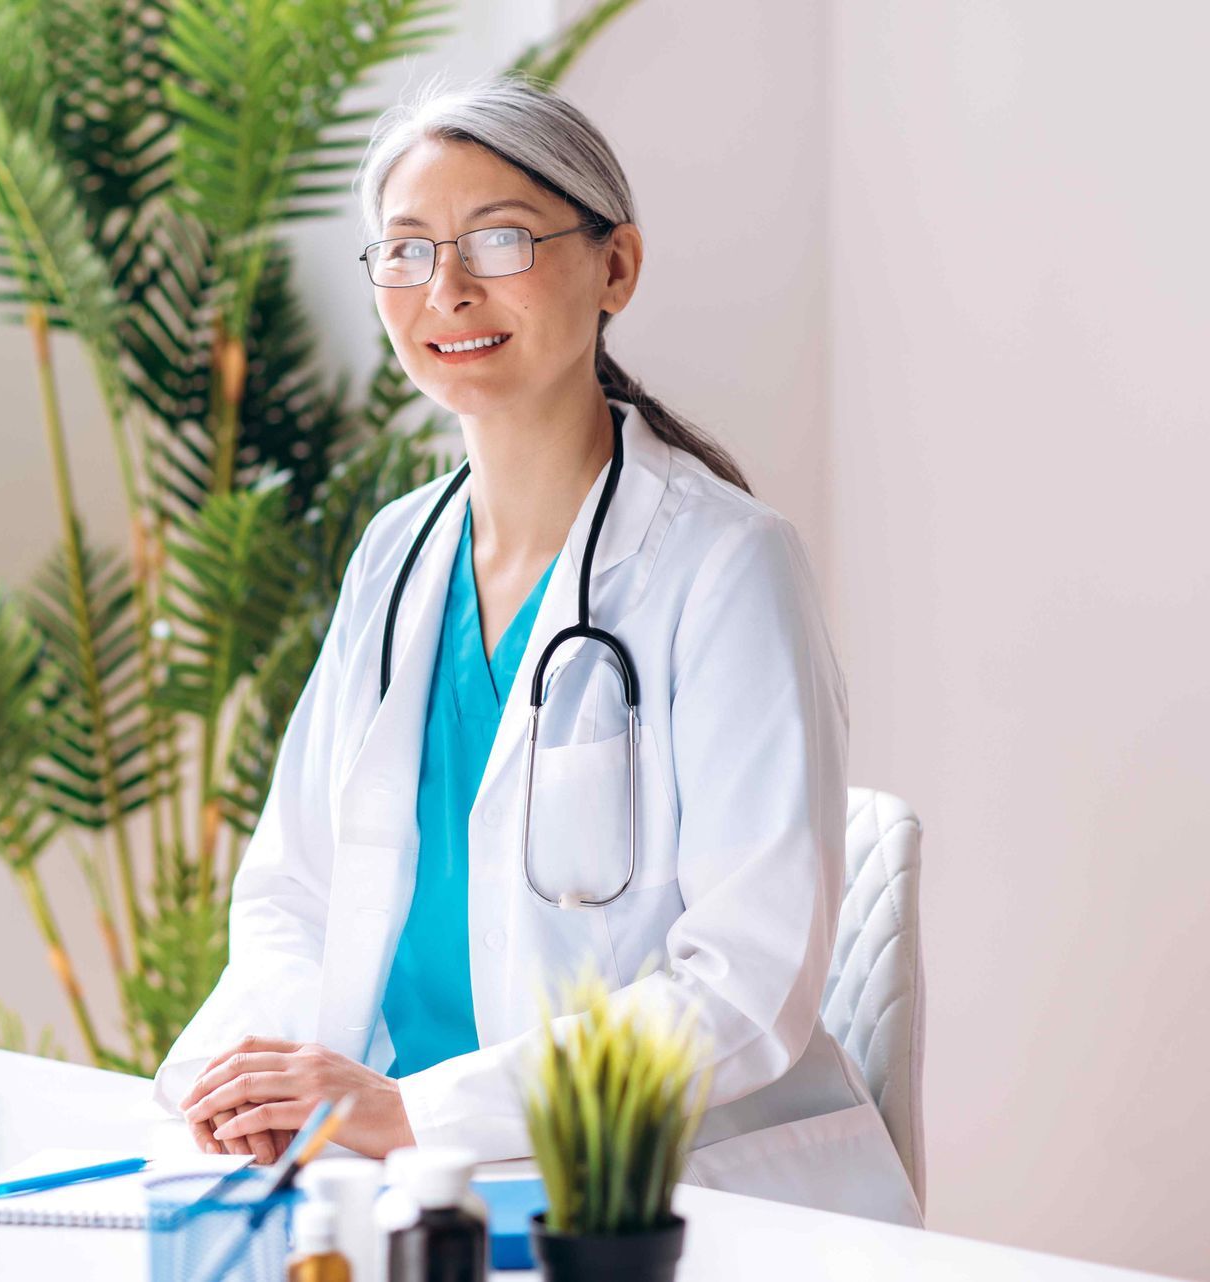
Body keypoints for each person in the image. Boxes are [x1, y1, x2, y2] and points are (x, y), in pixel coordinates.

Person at [151, 77, 922, 1227]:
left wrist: (417, 1114)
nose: (446, 289)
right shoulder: (396, 554)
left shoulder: (726, 566)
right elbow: (293, 892)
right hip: (406, 1177)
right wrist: (248, 1083)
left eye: (498, 240)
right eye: (405, 252)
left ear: (616, 268)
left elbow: (745, 988)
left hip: (648, 1193)